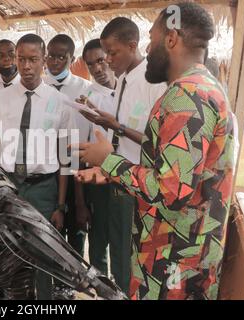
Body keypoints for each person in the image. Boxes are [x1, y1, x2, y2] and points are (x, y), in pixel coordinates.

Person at [74, 2, 234, 300]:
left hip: (174, 265)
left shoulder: (188, 98)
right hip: (176, 256)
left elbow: (171, 192)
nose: (147, 48)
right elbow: (171, 170)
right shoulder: (200, 88)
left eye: (152, 37)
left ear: (171, 39)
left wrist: (108, 160)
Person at [77, 17, 167, 294]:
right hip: (118, 181)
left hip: (140, 186)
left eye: (112, 53)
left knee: (131, 263)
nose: (108, 60)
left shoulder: (153, 82)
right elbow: (121, 131)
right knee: (117, 257)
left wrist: (118, 128)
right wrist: (107, 121)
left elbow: (160, 142)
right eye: (105, 54)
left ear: (133, 45)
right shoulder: (123, 81)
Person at [0, 33, 76, 300]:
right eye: (21, 59)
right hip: (9, 186)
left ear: (43, 60)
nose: (26, 66)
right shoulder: (0, 99)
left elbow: (65, 158)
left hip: (43, 189)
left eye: (33, 60)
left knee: (42, 255)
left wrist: (59, 205)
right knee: (7, 250)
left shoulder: (58, 102)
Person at [43, 34, 92, 270]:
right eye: (51, 55)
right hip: (49, 166)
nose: (54, 61)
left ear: (71, 59)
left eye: (61, 57)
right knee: (51, 226)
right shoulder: (39, 87)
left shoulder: (86, 89)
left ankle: (74, 276)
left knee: (76, 224)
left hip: (78, 163)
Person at [74, 39, 116, 276]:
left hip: (129, 180)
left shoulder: (128, 91)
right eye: (91, 65)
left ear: (109, 57)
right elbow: (79, 154)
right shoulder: (86, 100)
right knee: (98, 245)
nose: (98, 69)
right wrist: (80, 201)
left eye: (101, 60)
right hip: (97, 182)